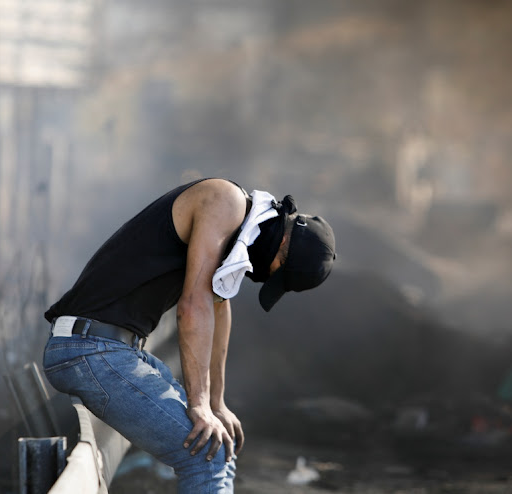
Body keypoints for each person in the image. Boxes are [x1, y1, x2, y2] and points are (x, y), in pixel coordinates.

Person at [42, 178, 336, 493]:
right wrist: (198, 404)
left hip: (112, 350)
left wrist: (216, 402)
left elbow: (218, 308)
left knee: (219, 446)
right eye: (276, 271)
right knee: (205, 457)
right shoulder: (226, 202)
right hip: (90, 348)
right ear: (283, 245)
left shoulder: (240, 234)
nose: (263, 275)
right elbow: (194, 307)